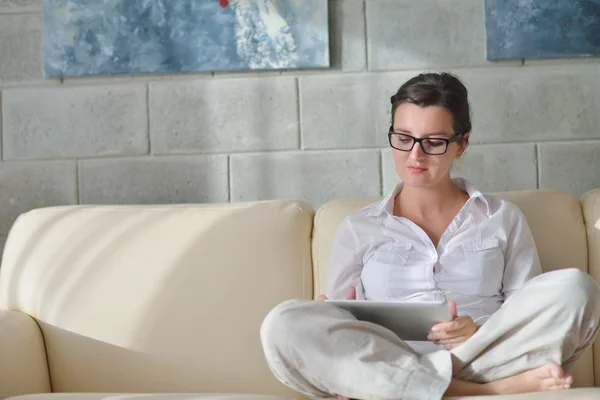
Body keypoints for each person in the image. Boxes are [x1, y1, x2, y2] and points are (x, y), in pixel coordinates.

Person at [259, 72, 600, 399]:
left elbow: (523, 310)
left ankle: (405, 389)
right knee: (284, 322)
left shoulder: (502, 217)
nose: (414, 155)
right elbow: (344, 326)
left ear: (461, 144)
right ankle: (484, 392)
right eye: (403, 138)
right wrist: (329, 314)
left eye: (433, 142)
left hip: (483, 356)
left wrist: (477, 333)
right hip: (390, 360)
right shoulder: (358, 227)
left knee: (575, 288)